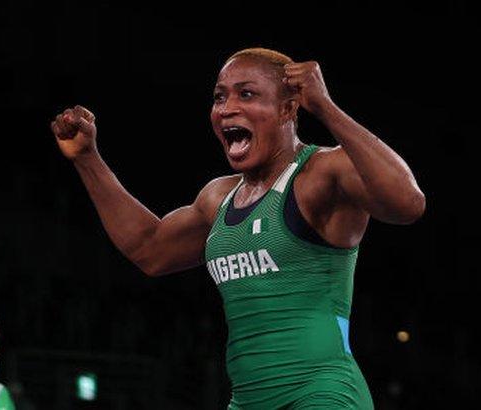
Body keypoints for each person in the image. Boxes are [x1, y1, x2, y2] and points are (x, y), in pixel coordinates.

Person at [51, 47, 425, 409]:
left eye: (246, 94)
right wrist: (87, 159)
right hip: (248, 400)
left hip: (323, 393)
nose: (227, 108)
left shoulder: (321, 173)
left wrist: (326, 107)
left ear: (289, 107)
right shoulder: (219, 197)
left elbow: (407, 203)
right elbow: (150, 249)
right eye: (219, 97)